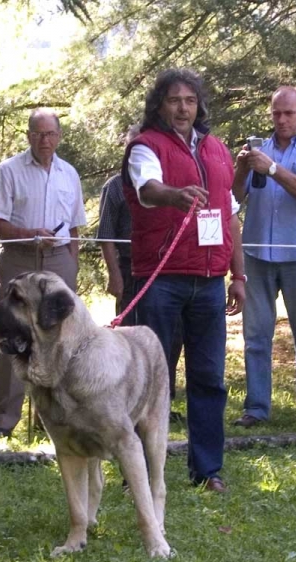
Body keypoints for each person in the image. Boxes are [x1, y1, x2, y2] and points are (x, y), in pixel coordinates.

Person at [122, 67, 246, 493]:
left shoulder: (217, 150)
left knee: (209, 378)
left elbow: (229, 215)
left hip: (210, 282)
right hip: (161, 281)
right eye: (174, 100)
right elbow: (147, 189)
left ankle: (208, 471)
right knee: (152, 378)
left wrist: (239, 275)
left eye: (190, 100)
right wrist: (173, 195)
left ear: (199, 106)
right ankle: (136, 467)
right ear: (160, 105)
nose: (182, 108)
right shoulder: (145, 146)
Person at [0, 108, 87, 438]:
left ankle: (54, 418)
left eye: (50, 134)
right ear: (28, 136)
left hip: (59, 262)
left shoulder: (69, 173)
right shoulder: (8, 170)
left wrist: (72, 261)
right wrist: (28, 234)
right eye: (38, 134)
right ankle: (2, 424)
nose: (45, 140)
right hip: (19, 258)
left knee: (57, 337)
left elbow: (75, 225)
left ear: (59, 136)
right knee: (13, 335)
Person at [232, 86, 296, 430]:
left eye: (288, 113)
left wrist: (272, 170)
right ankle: (256, 408)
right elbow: (233, 199)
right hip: (256, 254)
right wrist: (242, 169)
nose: (281, 120)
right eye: (276, 114)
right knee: (255, 336)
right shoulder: (259, 150)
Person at [97, 124, 185, 418]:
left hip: (167, 268)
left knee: (169, 338)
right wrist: (115, 275)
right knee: (129, 339)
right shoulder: (114, 187)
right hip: (130, 269)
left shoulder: (167, 186)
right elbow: (106, 235)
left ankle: (163, 402)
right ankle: (129, 403)